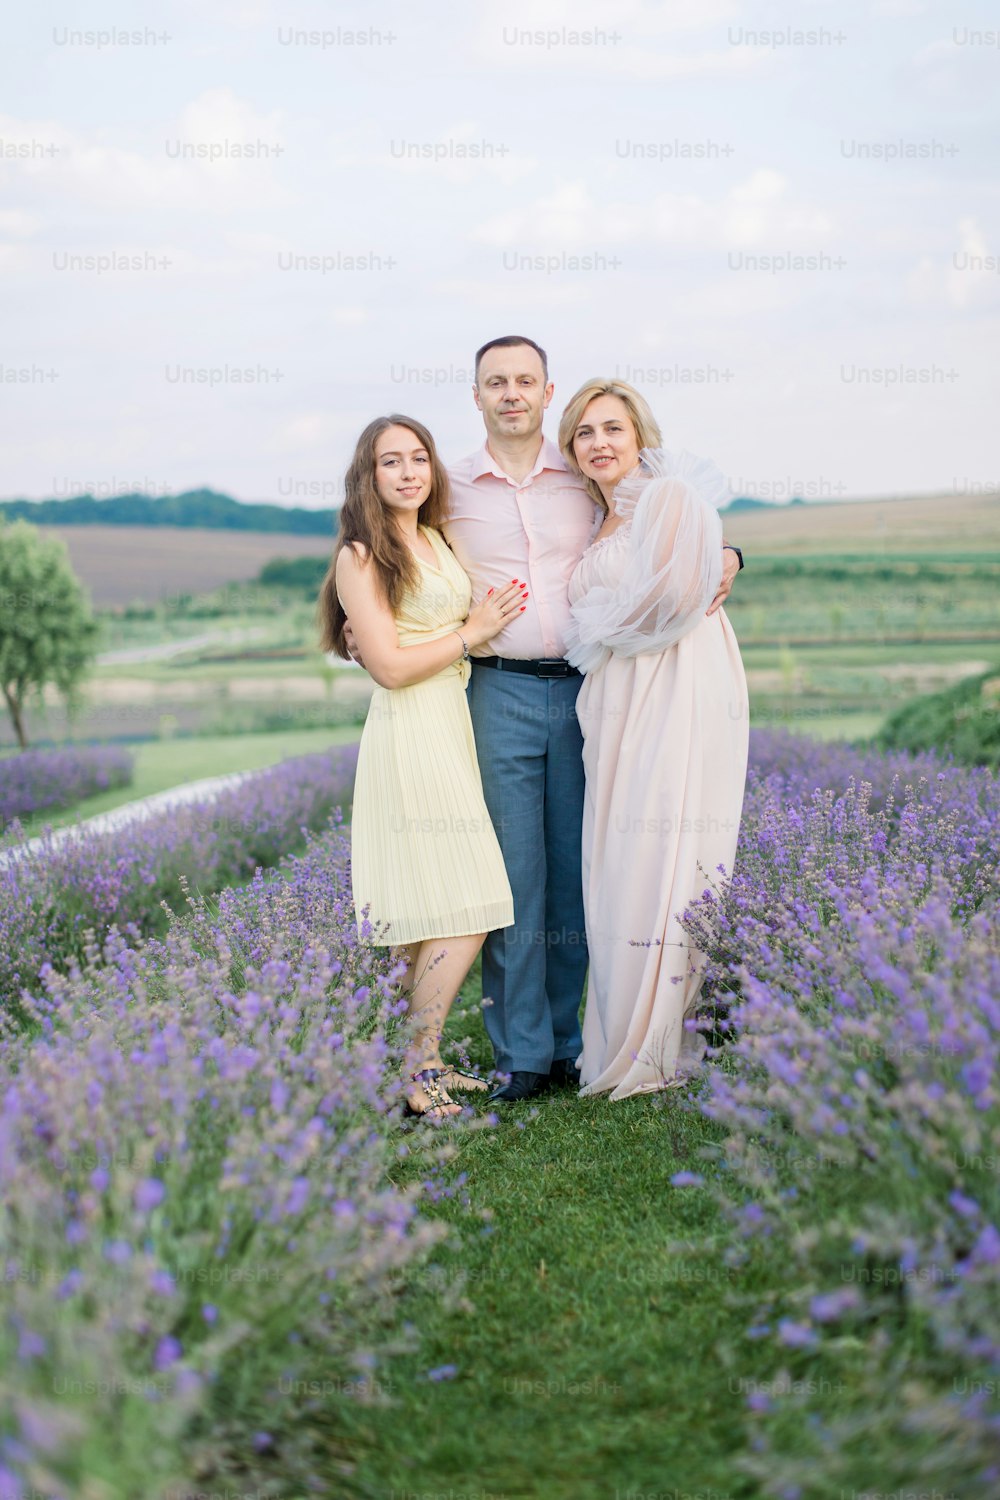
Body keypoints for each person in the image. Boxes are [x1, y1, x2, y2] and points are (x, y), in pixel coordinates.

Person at [442, 339, 743, 1102]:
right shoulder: (448, 488)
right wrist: (356, 621)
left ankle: (576, 1041)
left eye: (525, 382)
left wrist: (733, 552)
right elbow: (395, 552)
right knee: (514, 876)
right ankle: (523, 1053)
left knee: (587, 870)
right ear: (476, 394)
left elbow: (674, 533)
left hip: (592, 694)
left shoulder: (581, 482)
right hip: (503, 687)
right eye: (494, 383)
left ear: (547, 393)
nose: (510, 394)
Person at [319, 414, 525, 1119]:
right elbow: (387, 666)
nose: (408, 472)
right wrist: (471, 634)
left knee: (433, 904)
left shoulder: (435, 537)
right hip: (412, 728)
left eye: (418, 459)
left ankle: (420, 1065)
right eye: (390, 462)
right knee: (467, 899)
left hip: (452, 721)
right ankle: (414, 1066)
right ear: (367, 475)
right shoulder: (360, 554)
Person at [558, 378, 749, 1100]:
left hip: (672, 685)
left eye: (613, 427)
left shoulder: (668, 499)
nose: (600, 442)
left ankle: (662, 1039)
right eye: (584, 432)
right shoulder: (597, 516)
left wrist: (597, 633)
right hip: (613, 697)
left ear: (640, 434)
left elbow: (677, 599)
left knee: (663, 847)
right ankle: (621, 1030)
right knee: (617, 852)